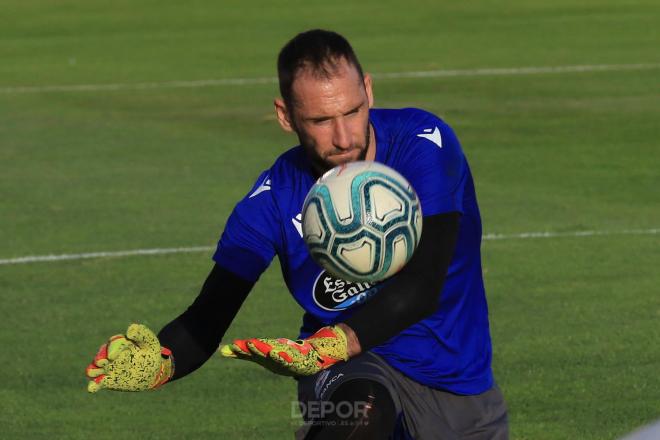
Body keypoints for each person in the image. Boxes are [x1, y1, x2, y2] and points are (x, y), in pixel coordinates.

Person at [85, 29, 508, 439]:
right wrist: (163, 362)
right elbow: (210, 314)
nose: (343, 137)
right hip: (349, 374)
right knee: (362, 410)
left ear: (369, 91)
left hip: (456, 380)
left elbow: (423, 284)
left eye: (352, 111)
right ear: (286, 116)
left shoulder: (424, 144)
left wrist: (328, 347)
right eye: (321, 120)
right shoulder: (271, 199)